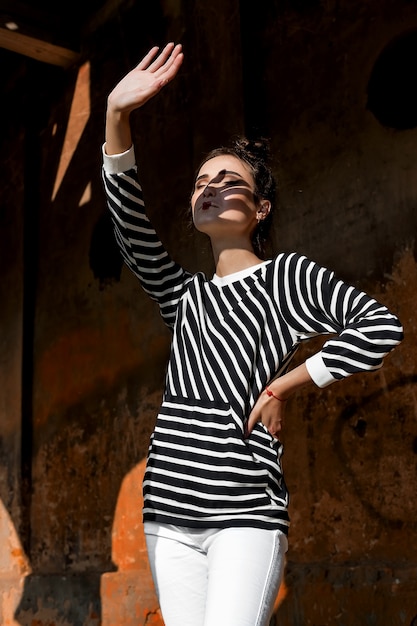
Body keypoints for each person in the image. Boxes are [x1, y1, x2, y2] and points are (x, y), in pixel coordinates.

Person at [102, 43, 403, 626]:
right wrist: (115, 116)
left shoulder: (287, 278)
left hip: (246, 513)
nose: (209, 187)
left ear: (261, 208)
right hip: (167, 512)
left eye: (227, 179)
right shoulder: (183, 295)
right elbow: (130, 227)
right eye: (200, 181)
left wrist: (281, 387)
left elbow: (380, 327)